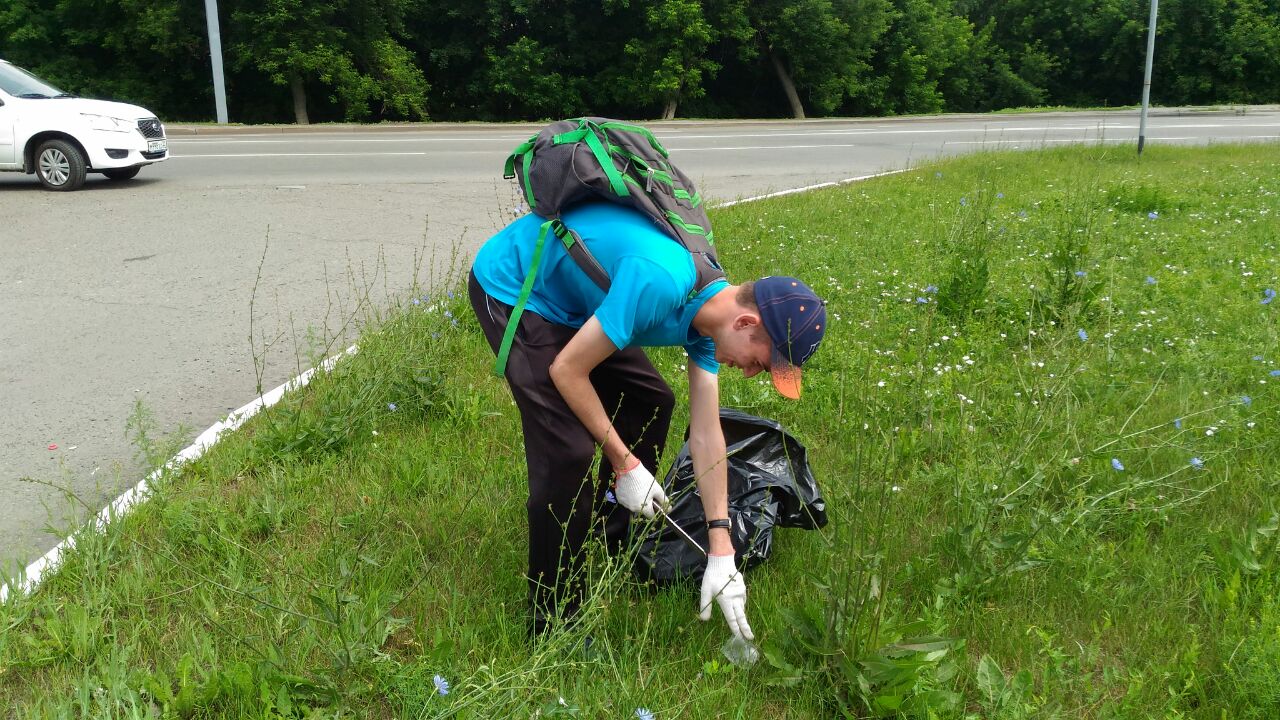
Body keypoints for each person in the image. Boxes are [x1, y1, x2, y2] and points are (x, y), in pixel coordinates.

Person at [467, 199, 826, 640]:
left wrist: (721, 549)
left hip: (578, 301)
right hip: (518, 286)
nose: (753, 373)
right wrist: (625, 463)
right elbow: (567, 371)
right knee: (569, 453)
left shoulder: (711, 318)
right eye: (761, 362)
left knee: (651, 401)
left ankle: (609, 537)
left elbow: (707, 435)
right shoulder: (662, 282)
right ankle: (555, 621)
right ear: (746, 322)